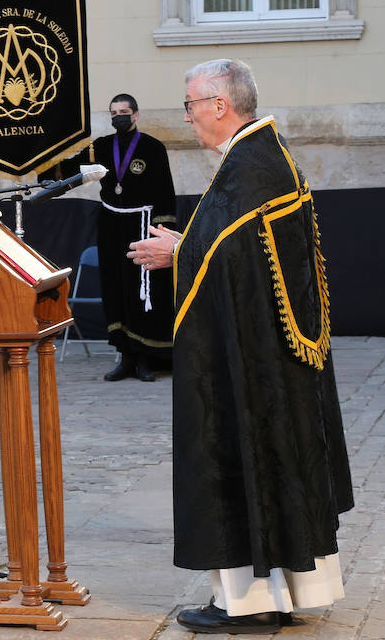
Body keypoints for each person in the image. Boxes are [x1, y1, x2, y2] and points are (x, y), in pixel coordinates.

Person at [129, 59, 352, 634]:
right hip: (268, 355)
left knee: (239, 455)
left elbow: (228, 254)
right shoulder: (260, 158)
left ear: (219, 106)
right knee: (278, 462)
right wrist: (188, 247)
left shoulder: (247, 170)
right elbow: (240, 252)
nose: (188, 116)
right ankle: (287, 591)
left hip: (247, 365)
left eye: (190, 104)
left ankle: (248, 603)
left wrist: (178, 253)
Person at [50, 94, 177, 382]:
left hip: (142, 224)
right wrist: (43, 164)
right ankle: (126, 357)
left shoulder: (152, 148)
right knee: (116, 286)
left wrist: (161, 230)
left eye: (124, 111)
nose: (118, 116)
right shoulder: (102, 147)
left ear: (136, 114)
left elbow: (164, 191)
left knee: (142, 291)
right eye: (114, 112)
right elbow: (71, 167)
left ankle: (146, 358)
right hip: (111, 224)